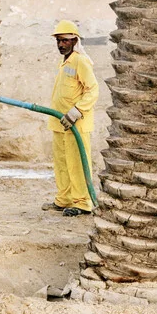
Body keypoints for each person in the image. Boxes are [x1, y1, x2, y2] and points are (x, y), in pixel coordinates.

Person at [42, 20, 99, 217]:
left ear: (75, 41)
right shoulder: (65, 62)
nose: (61, 44)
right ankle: (64, 199)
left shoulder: (80, 61)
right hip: (60, 123)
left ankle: (82, 203)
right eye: (58, 40)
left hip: (76, 124)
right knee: (62, 163)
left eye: (65, 40)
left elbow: (93, 90)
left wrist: (76, 111)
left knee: (76, 163)